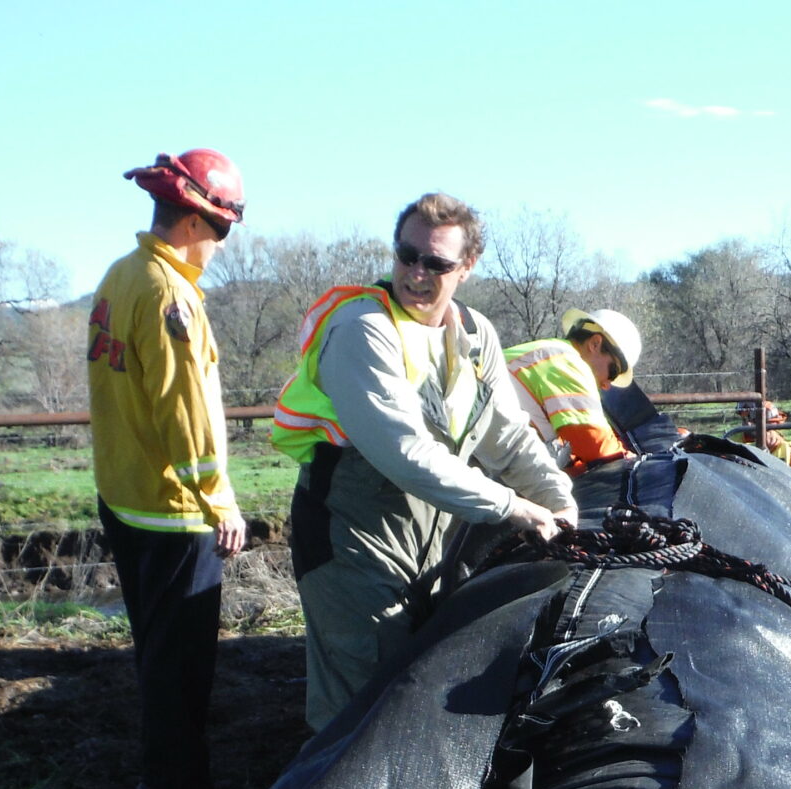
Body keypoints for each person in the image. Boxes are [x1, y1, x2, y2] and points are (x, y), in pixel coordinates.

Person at [270, 192, 578, 729]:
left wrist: (558, 499)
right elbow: (405, 453)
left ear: (467, 268)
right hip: (353, 535)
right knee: (359, 708)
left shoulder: (475, 335)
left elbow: (508, 437)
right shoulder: (364, 330)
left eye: (435, 263)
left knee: (407, 689)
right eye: (406, 255)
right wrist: (513, 507)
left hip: (433, 536)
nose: (416, 273)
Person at [88, 148, 250, 789]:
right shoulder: (171, 298)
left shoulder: (119, 277)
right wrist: (220, 501)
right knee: (181, 663)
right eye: (221, 231)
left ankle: (164, 776)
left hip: (124, 497)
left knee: (155, 649)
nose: (219, 246)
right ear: (193, 224)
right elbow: (188, 415)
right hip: (173, 512)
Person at [505, 308, 643, 472]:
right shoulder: (569, 363)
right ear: (595, 344)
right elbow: (597, 447)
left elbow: (565, 451)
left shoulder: (549, 353)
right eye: (612, 372)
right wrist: (632, 459)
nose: (607, 385)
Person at [735, 401, 791, 471]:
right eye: (744, 420)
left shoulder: (790, 453)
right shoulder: (747, 451)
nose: (747, 424)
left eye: (768, 429)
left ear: (775, 427)